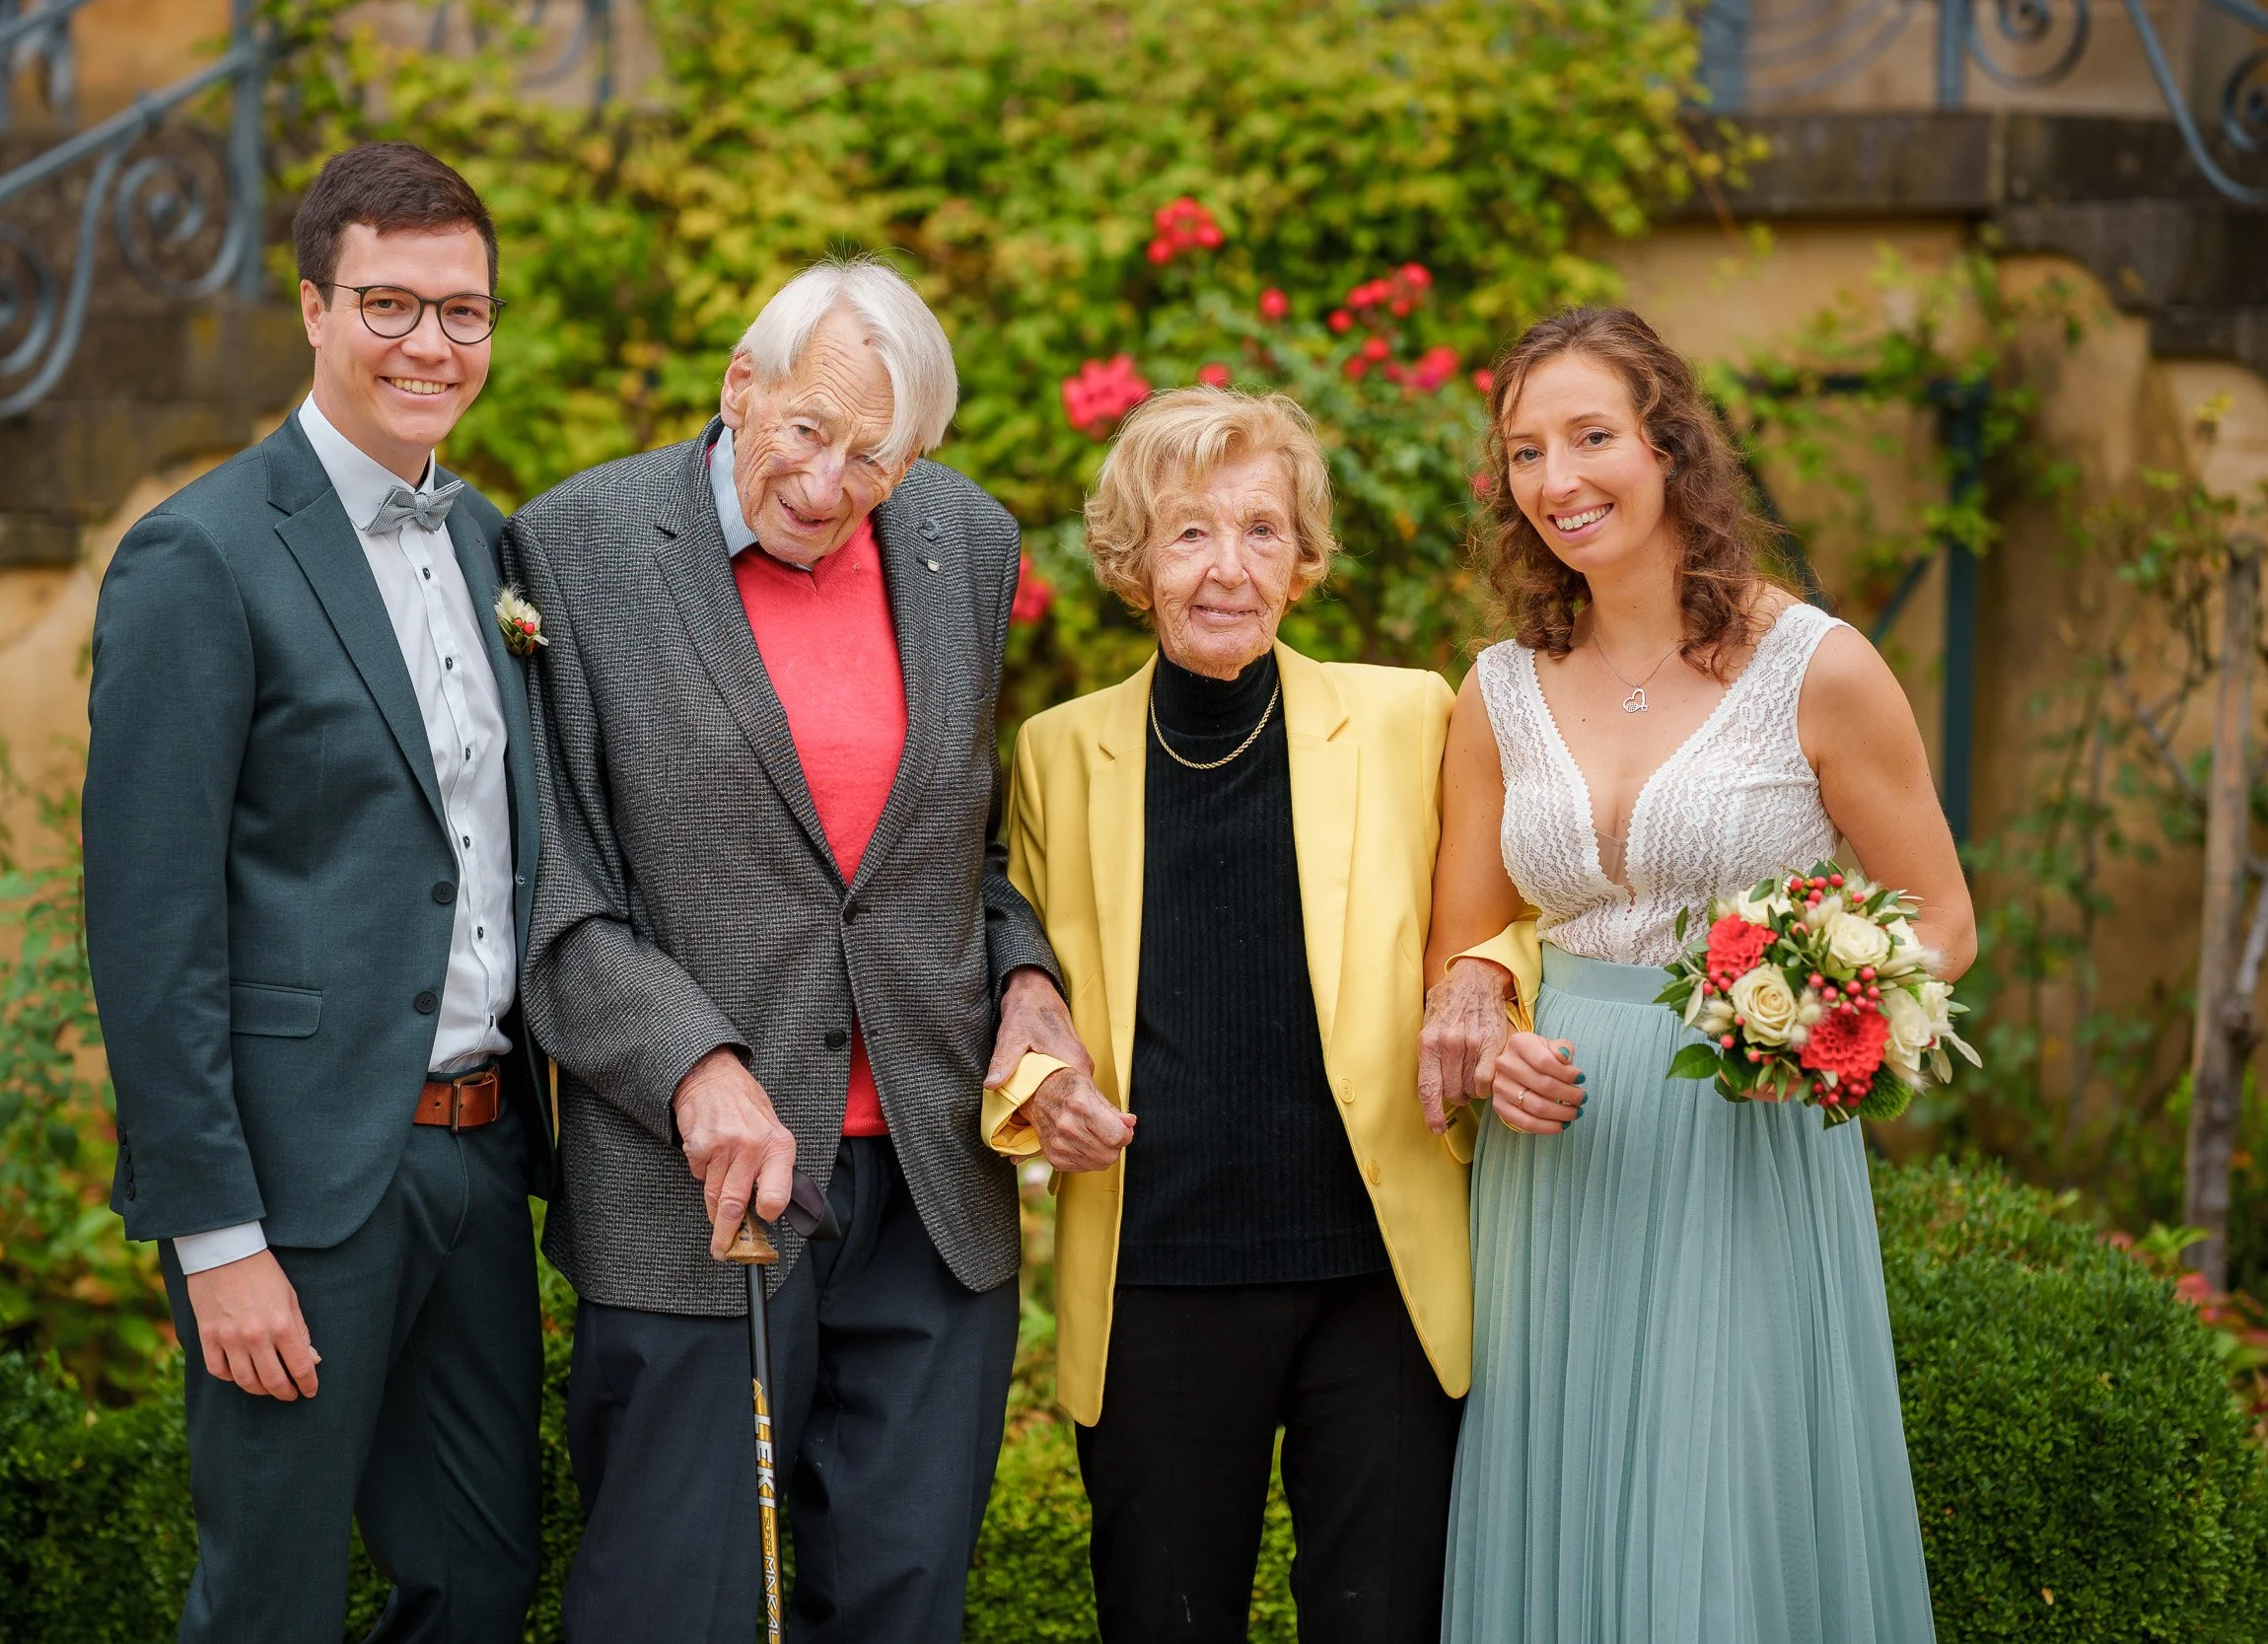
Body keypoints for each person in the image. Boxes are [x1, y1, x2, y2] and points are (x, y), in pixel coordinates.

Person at [505, 257, 1084, 1643]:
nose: (827, 485)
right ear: (740, 386)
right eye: (806, 430)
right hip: (696, 1187)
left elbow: (957, 850)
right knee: (678, 1607)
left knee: (901, 1600)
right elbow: (551, 889)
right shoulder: (575, 546)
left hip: (932, 1186)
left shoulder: (965, 541)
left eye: (873, 457)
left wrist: (1028, 981)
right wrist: (693, 1066)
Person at [1428, 306, 1970, 1643]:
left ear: (1667, 444)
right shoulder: (1496, 691)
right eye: (1526, 451)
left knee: (1727, 1507)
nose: (1558, 478)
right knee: (1567, 1508)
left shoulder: (1817, 667)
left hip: (1747, 1144)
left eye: (1590, 436)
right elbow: (1464, 948)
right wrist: (1493, 1046)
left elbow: (1943, 918)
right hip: (1557, 1161)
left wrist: (1820, 1028)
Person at [84, 141, 549, 1644]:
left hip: (479, 1155)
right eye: (389, 304)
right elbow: (149, 925)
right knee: (272, 1599)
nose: (431, 344)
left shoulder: (488, 540)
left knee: (478, 1578)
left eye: (463, 311)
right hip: (294, 1183)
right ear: (312, 308)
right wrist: (217, 1237)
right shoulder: (199, 555)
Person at [986, 386, 1537, 1643]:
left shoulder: (1410, 714)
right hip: (1156, 1272)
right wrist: (1035, 1095)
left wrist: (1480, 975)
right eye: (1188, 532)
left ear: (1302, 560)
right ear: (1134, 562)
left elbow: (1516, 910)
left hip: (1377, 1276)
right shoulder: (1059, 752)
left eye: (1261, 530)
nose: (1226, 566)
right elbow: (1017, 977)